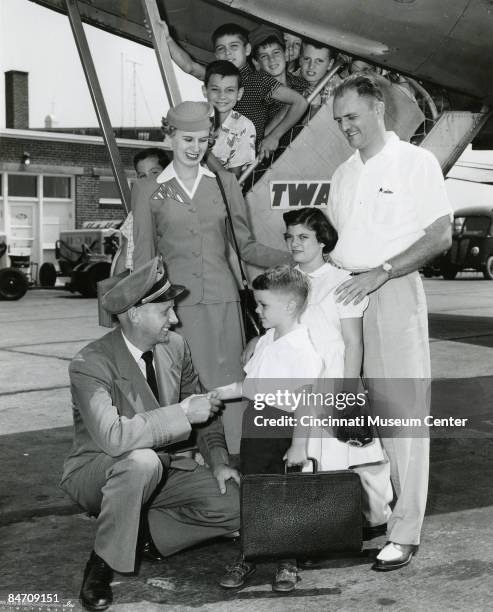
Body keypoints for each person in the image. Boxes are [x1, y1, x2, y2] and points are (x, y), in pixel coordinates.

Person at [60, 257, 240, 611]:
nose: (174, 319)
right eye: (166, 311)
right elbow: (113, 438)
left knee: (236, 504)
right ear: (135, 314)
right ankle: (101, 562)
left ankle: (141, 535)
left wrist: (219, 461)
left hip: (164, 470)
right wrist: (181, 413)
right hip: (101, 471)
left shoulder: (175, 346)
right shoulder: (90, 364)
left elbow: (202, 410)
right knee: (140, 462)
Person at [327, 74, 452, 570]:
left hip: (392, 291)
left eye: (352, 117)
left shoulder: (415, 163)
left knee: (402, 419)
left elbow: (440, 235)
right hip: (344, 294)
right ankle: (370, 513)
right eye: (339, 121)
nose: (346, 128)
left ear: (378, 109)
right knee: (349, 410)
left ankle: (405, 532)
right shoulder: (341, 174)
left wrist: (382, 272)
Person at [131, 101, 292, 453]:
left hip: (223, 303)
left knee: (231, 387)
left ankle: (237, 460)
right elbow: (143, 257)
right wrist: (139, 312)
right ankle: (194, 464)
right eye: (187, 139)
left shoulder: (225, 183)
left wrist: (297, 258)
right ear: (169, 136)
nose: (195, 148)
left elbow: (246, 246)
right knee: (183, 389)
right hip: (175, 310)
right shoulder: (147, 189)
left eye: (203, 140)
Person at [212, 265, 323, 592]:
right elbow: (251, 385)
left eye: (264, 305)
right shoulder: (266, 342)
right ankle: (249, 552)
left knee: (285, 496)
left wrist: (299, 445)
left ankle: (288, 560)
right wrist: (220, 393)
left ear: (289, 306)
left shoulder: (301, 349)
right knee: (254, 492)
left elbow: (306, 402)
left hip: (283, 431)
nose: (257, 311)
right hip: (256, 428)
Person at [283, 207, 392, 528]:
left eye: (303, 237)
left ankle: (375, 520)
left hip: (335, 378)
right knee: (309, 457)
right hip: (300, 381)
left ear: (323, 241)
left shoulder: (341, 282)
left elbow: (353, 342)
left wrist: (347, 390)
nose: (294, 244)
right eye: (290, 237)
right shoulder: (284, 281)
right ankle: (325, 526)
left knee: (355, 454)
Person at [155, 20, 308, 158]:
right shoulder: (219, 77)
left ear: (247, 49)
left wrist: (275, 136)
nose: (227, 53)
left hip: (251, 159)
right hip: (223, 153)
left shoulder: (259, 80)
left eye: (234, 47)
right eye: (221, 49)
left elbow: (299, 102)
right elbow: (190, 67)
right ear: (216, 55)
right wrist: (168, 40)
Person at [115, 148, 170, 274]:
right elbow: (124, 254)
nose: (149, 180)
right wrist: (115, 288)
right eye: (142, 176)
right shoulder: (134, 216)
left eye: (154, 173)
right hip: (141, 282)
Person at [249, 25, 307, 141]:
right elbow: (257, 137)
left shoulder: (301, 83)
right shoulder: (255, 87)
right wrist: (291, 104)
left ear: (285, 53)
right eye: (264, 56)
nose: (272, 59)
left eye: (276, 52)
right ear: (256, 62)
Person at [202, 60, 256, 176]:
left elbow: (232, 181)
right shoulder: (199, 122)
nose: (222, 96)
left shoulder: (244, 126)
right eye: (215, 89)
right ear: (205, 91)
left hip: (219, 192)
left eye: (230, 90)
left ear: (239, 93)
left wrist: (203, 149)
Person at [300, 40, 341, 107]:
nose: (311, 66)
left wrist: (316, 107)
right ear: (300, 60)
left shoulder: (336, 89)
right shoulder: (293, 78)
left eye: (319, 61)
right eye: (307, 59)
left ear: (330, 64)